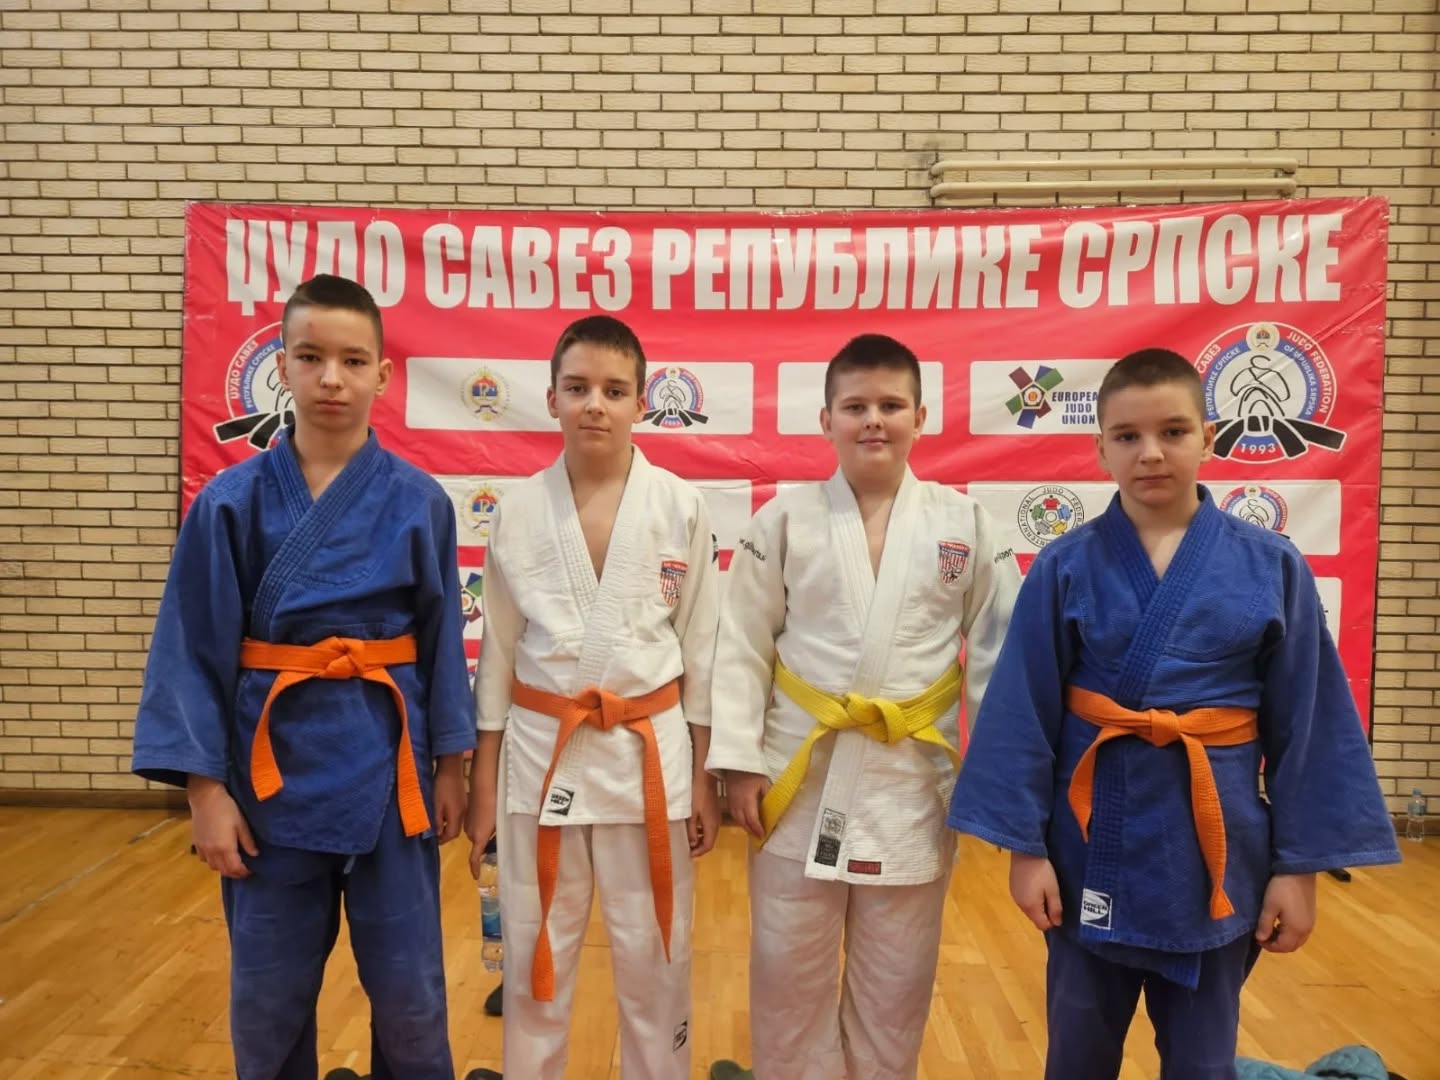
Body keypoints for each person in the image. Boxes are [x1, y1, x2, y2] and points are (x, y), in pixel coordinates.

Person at [948, 347, 1401, 1080]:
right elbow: (1021, 713)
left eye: (1173, 431)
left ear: (1208, 438)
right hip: (1090, 847)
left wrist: (1300, 870)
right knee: (1078, 1055)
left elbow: (1308, 725)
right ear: (1101, 449)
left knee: (1202, 1062)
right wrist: (1026, 852)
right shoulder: (1065, 565)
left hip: (1215, 853)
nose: (1150, 453)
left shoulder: (1271, 563)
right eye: (1127, 436)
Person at [132, 274, 482, 1079]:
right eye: (311, 357)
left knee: (412, 998)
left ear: (382, 374)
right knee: (269, 998)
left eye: (353, 361)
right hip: (269, 783)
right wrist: (205, 793)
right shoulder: (230, 503)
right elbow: (192, 649)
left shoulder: (419, 501)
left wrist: (452, 768)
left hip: (391, 779)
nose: (332, 378)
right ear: (281, 366)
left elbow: (440, 644)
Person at [706, 334, 1021, 1080]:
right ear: (826, 420)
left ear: (921, 416)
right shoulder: (784, 520)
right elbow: (742, 646)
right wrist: (739, 764)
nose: (873, 420)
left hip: (910, 789)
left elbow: (998, 658)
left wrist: (990, 781)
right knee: (787, 977)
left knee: (897, 985)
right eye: (855, 407)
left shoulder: (965, 523)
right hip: (796, 780)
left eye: (890, 405)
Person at [465, 314, 721, 1079]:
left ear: (643, 402)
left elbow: (701, 652)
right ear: (551, 399)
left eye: (613, 390)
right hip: (540, 756)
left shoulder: (680, 506)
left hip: (651, 760)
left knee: (656, 960)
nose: (594, 405)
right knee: (534, 957)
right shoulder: (518, 510)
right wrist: (483, 783)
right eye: (577, 388)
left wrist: (704, 775)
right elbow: (498, 654)